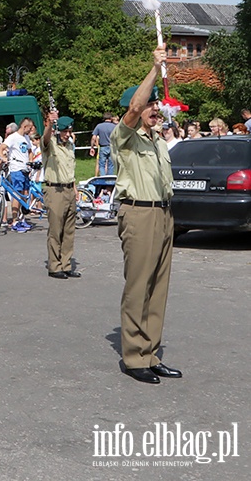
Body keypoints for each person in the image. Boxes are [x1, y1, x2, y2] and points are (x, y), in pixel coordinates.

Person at [112, 45, 181, 385]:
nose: (155, 109)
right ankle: (133, 355)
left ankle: (151, 353)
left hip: (164, 214)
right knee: (139, 286)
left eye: (157, 104)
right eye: (151, 104)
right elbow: (135, 106)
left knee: (158, 288)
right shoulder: (124, 137)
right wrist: (155, 69)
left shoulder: (157, 140)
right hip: (138, 214)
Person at [41, 114, 80, 279]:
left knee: (69, 230)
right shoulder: (50, 145)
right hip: (55, 190)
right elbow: (45, 137)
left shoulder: (70, 146)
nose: (67, 134)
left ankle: (66, 264)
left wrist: (74, 188)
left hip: (69, 189)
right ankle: (54, 266)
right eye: (64, 131)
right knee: (56, 230)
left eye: (69, 131)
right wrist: (49, 123)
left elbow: (69, 169)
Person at [3, 118, 36, 232]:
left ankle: (22, 219)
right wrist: (4, 159)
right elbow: (1, 148)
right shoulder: (13, 137)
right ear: (24, 127)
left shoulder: (25, 138)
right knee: (17, 194)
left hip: (25, 169)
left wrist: (30, 163)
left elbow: (30, 151)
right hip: (16, 169)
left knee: (25, 194)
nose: (31, 130)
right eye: (30, 128)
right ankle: (14, 221)